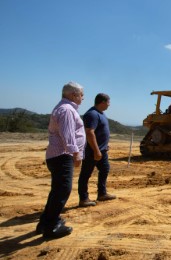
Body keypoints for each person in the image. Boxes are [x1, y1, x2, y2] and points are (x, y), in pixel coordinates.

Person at [36, 82, 86, 239]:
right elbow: (67, 134)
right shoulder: (67, 110)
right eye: (81, 95)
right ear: (73, 95)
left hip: (57, 155)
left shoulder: (63, 108)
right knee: (63, 189)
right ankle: (51, 227)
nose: (83, 98)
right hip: (62, 155)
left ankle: (45, 222)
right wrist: (76, 154)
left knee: (57, 190)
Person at [78, 93, 116, 207]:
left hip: (102, 150)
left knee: (105, 169)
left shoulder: (101, 114)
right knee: (86, 174)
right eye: (109, 102)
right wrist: (96, 150)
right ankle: (84, 199)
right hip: (92, 151)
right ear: (103, 102)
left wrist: (104, 146)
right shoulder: (92, 114)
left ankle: (102, 194)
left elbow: (100, 132)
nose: (109, 105)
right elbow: (89, 132)